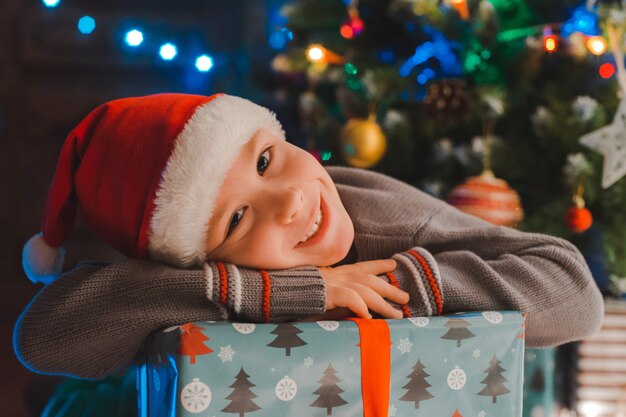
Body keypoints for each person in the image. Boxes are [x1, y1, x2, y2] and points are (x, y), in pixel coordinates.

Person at [14, 93, 604, 380]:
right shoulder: (181, 281)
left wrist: (395, 286)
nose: (292, 201)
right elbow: (42, 341)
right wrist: (293, 293)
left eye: (266, 160)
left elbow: (574, 294)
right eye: (237, 220)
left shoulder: (377, 217)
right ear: (196, 261)